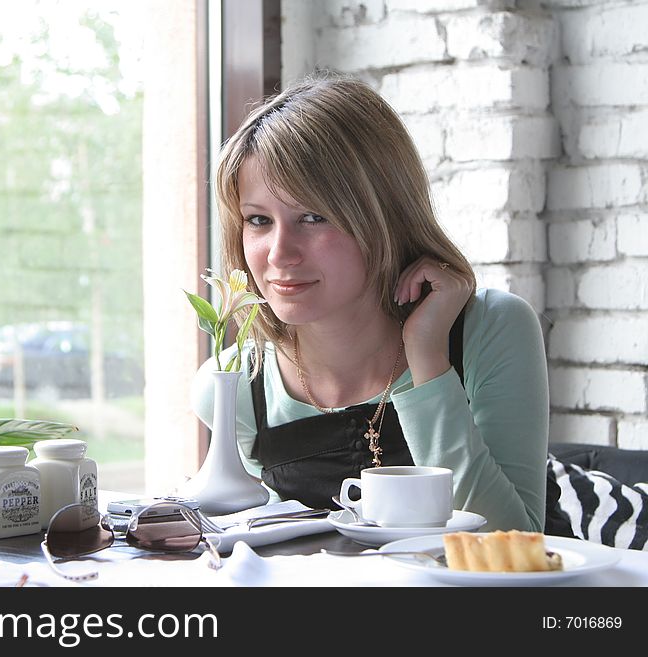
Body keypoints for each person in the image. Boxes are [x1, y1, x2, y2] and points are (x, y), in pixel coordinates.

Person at [191, 74, 550, 532]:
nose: (279, 254)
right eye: (259, 220)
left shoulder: (492, 328)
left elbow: (513, 542)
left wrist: (427, 358)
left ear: (385, 214)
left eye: (313, 217)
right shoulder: (235, 386)